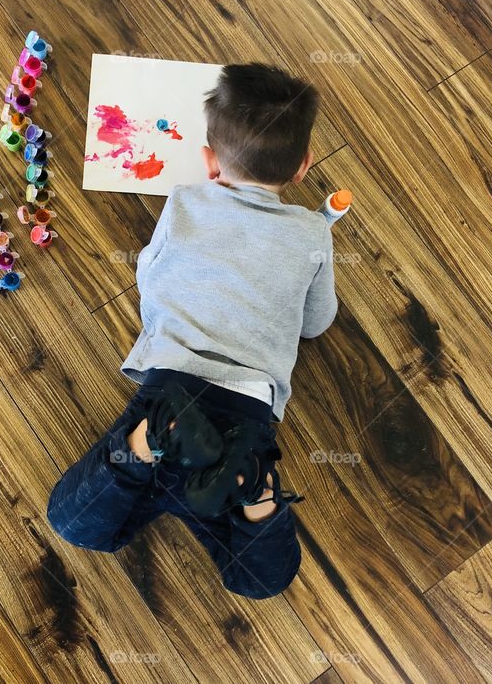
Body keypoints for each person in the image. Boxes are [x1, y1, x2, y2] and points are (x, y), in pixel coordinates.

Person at [48, 64, 337, 599]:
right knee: (261, 581)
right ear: (303, 167)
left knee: (72, 523)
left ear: (209, 162)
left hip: (170, 392)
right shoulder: (313, 232)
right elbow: (317, 324)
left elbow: (150, 274)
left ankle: (146, 442)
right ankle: (258, 493)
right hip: (244, 425)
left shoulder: (184, 202)